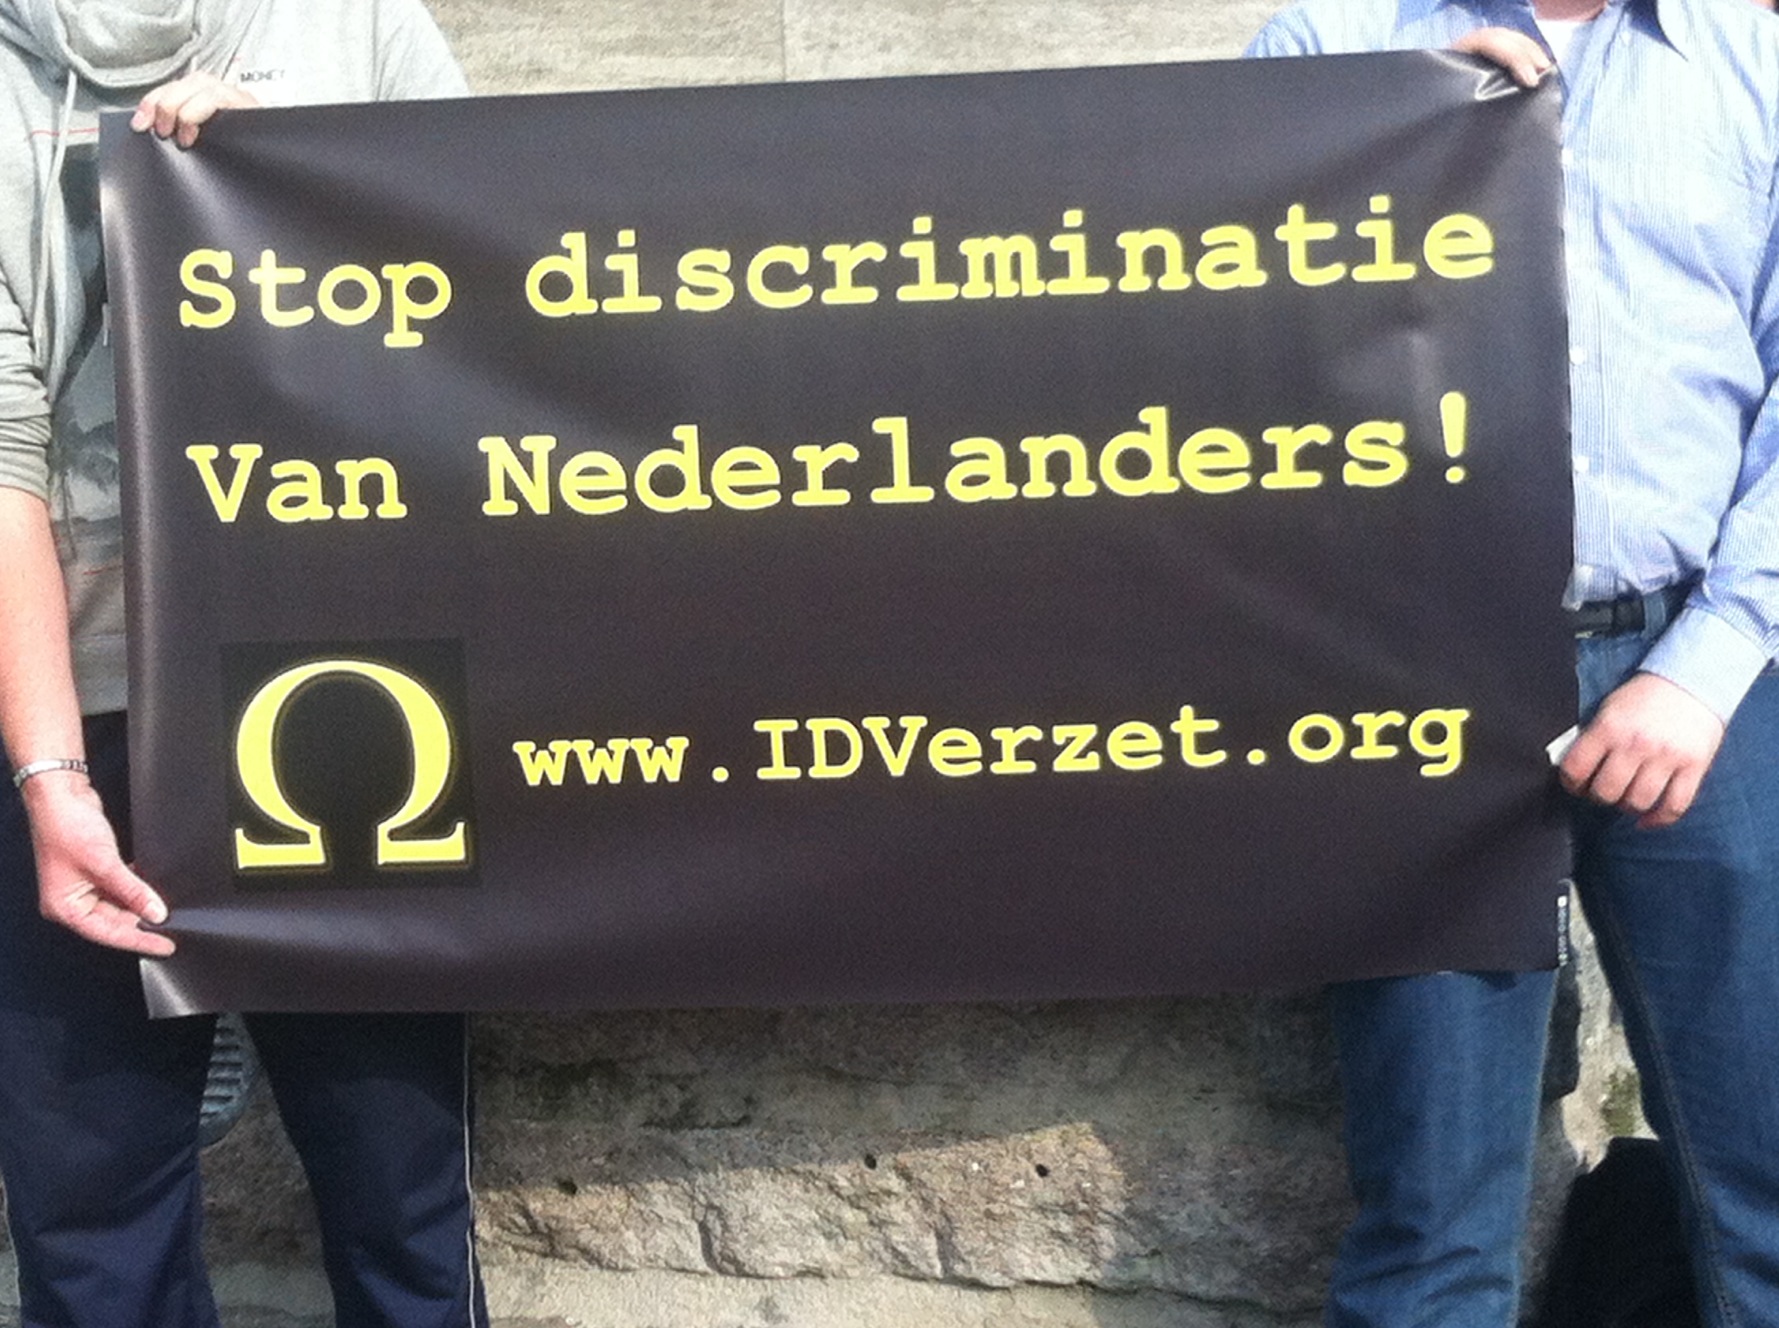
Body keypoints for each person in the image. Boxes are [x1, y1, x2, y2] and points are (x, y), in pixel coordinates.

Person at [1246, 2, 1779, 1325]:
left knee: (1769, 1183)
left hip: (1706, 678)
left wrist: (1707, 663)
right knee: (1432, 1224)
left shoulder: (1757, 63)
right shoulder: (1329, 42)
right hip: (1418, 684)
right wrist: (1372, 121)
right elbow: (1193, 309)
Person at [0, 1, 487, 1324]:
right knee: (89, 1214)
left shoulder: (352, 17)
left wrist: (307, 178)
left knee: (400, 1188)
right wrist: (51, 776)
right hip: (72, 702)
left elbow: (507, 268)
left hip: (355, 683)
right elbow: (4, 452)